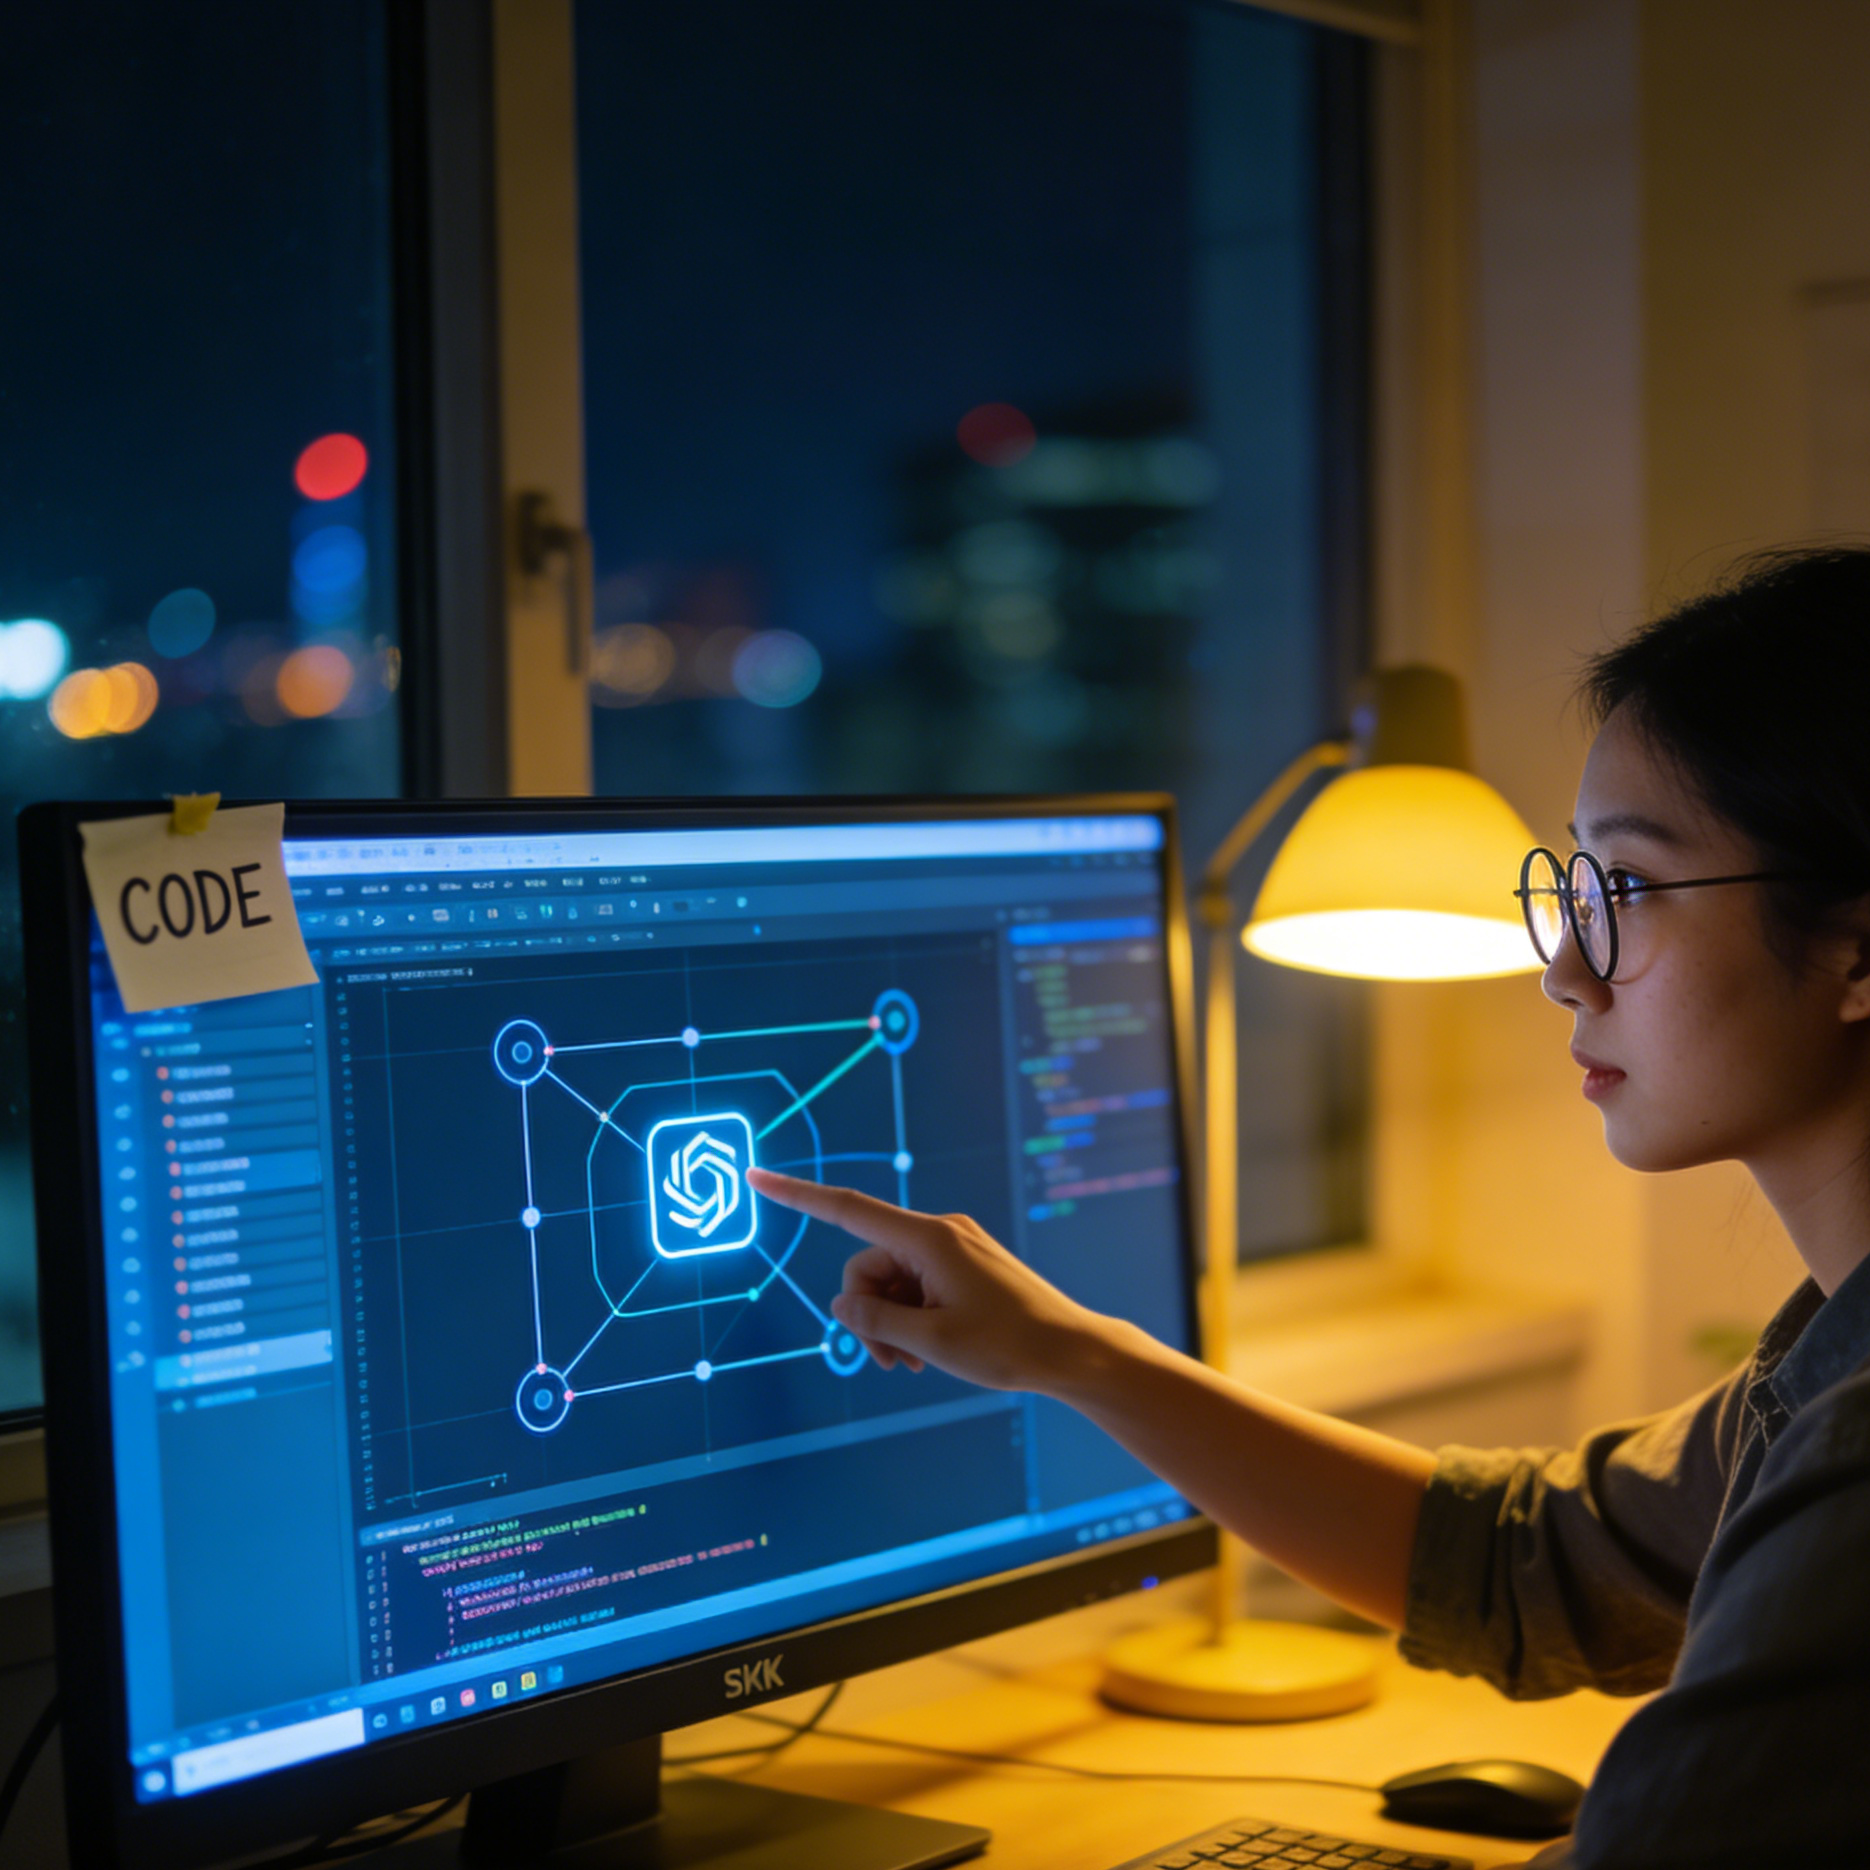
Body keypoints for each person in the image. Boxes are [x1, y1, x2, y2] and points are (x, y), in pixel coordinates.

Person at [749, 546, 1870, 1870]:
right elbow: (1533, 1562)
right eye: (1570, 887)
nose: (1563, 968)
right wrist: (1069, 1351)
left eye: (1623, 889)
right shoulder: (1819, 1356)